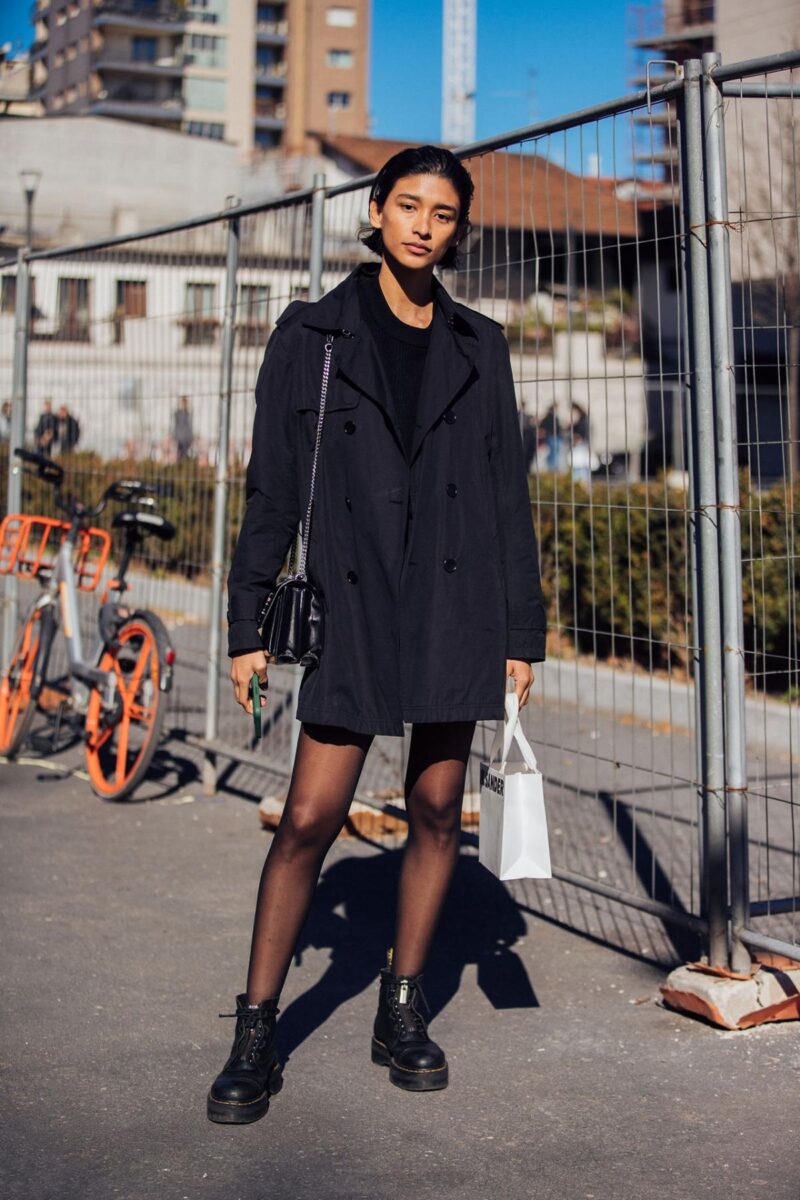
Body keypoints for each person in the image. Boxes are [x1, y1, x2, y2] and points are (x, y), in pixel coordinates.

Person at [208, 145, 547, 1125]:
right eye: (407, 206)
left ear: (455, 232)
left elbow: (505, 498)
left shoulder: (480, 345)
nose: (422, 227)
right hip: (354, 604)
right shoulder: (310, 332)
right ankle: (258, 1022)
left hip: (453, 604)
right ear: (372, 210)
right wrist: (245, 624)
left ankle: (401, 1008)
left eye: (442, 215)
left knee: (437, 811)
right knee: (311, 818)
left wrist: (518, 632)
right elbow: (272, 490)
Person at [172, 395, 193, 461]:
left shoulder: (188, 413)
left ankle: (183, 462)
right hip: (180, 436)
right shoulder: (178, 413)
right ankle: (181, 462)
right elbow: (176, 425)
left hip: (186, 436)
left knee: (184, 452)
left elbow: (189, 425)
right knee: (181, 452)